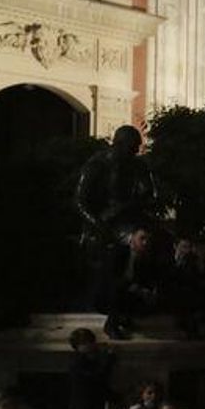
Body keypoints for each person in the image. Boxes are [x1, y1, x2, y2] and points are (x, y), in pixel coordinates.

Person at [75, 126, 157, 341]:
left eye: (137, 148)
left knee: (147, 250)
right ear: (119, 144)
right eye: (132, 147)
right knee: (114, 262)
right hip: (103, 225)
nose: (135, 152)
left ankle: (130, 308)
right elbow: (81, 201)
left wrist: (137, 200)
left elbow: (149, 195)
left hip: (130, 222)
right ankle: (113, 317)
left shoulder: (138, 166)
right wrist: (98, 223)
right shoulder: (97, 164)